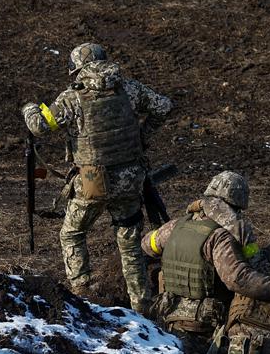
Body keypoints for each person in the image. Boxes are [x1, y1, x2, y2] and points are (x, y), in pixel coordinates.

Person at [21, 42, 171, 309]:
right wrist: (142, 137)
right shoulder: (130, 89)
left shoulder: (72, 98)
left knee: (72, 234)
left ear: (77, 68)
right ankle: (141, 304)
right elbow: (164, 106)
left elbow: (40, 126)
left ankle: (82, 294)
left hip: (92, 181)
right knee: (129, 243)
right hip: (130, 177)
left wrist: (29, 108)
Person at [141, 171, 270, 354]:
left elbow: (147, 244)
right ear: (235, 206)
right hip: (203, 329)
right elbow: (238, 279)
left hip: (166, 320)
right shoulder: (220, 237)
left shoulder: (175, 226)